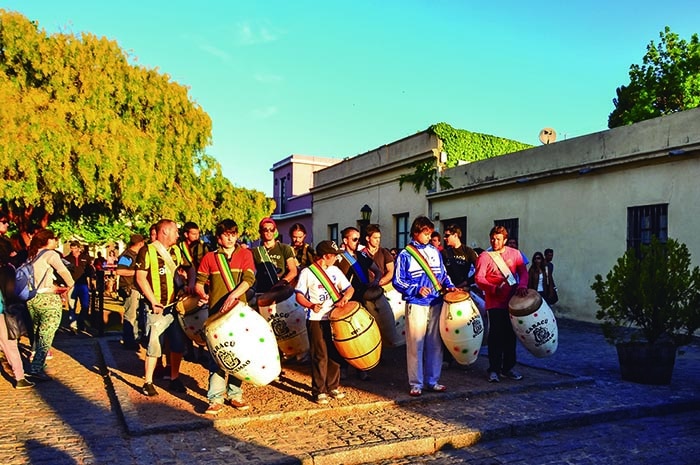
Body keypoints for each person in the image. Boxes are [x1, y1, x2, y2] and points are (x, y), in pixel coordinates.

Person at [195, 219, 256, 415]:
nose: (230, 238)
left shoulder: (246, 254)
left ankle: (235, 394)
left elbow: (249, 279)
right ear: (219, 237)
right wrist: (202, 294)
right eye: (225, 234)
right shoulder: (209, 258)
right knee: (218, 354)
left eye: (233, 233)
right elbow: (199, 283)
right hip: (216, 313)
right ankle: (215, 398)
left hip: (239, 312)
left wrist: (233, 295)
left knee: (240, 353)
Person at [393, 216, 455, 397]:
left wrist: (450, 286)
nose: (429, 236)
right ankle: (416, 383)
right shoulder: (405, 255)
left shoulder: (435, 252)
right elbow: (398, 281)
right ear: (415, 233)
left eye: (430, 233)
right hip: (416, 303)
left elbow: (443, 274)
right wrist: (416, 289)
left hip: (436, 302)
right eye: (425, 233)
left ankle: (432, 380)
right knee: (415, 344)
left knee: (435, 344)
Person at [294, 240, 353, 404]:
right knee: (320, 354)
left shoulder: (335, 270)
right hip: (316, 319)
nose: (336, 259)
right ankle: (319, 390)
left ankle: (332, 386)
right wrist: (311, 305)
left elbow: (349, 289)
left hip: (335, 317)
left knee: (335, 353)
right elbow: (299, 295)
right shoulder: (307, 272)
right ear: (327, 256)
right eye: (334, 256)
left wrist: (345, 298)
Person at [135, 219, 188, 396]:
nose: (178, 235)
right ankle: (148, 381)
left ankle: (174, 377)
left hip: (175, 306)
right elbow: (140, 277)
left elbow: (189, 268)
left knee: (177, 344)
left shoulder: (177, 251)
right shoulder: (147, 250)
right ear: (165, 231)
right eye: (175, 231)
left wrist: (189, 284)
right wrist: (152, 300)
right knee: (154, 344)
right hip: (156, 307)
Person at [474, 225, 528, 383]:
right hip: (494, 303)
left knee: (511, 336)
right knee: (495, 337)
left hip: (512, 303)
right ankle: (494, 369)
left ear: (505, 240)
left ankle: (508, 367)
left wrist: (522, 285)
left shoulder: (515, 254)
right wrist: (492, 288)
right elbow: (479, 278)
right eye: (492, 238)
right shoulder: (485, 256)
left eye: (498, 239)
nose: (494, 241)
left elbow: (523, 272)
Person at [338, 227, 400, 353]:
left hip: (365, 298)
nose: (357, 242)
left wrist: (377, 281)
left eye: (358, 239)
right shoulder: (339, 259)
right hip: (351, 300)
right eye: (354, 239)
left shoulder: (362, 255)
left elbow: (376, 270)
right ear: (345, 240)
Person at [24, 229, 74, 382]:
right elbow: (63, 271)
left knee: (38, 330)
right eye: (54, 239)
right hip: (47, 298)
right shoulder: (50, 255)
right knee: (47, 333)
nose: (56, 242)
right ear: (48, 240)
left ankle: (37, 360)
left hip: (32, 298)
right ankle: (36, 367)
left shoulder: (31, 257)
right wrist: (69, 286)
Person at [0, 238, 34, 389]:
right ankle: (20, 377)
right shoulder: (7, 268)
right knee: (9, 343)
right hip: (2, 310)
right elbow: (9, 291)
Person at [252, 218, 298, 295]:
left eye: (272, 229)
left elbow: (293, 271)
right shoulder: (256, 251)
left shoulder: (284, 248)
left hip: (280, 291)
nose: (269, 232)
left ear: (275, 231)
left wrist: (282, 282)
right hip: (262, 292)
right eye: (266, 230)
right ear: (260, 232)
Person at [116, 234, 146, 350]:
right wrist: (137, 273)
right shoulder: (127, 255)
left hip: (137, 288)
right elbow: (120, 270)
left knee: (138, 315)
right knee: (130, 315)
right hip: (130, 288)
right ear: (140, 243)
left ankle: (136, 337)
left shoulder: (137, 255)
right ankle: (129, 340)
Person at [66, 241, 94, 333]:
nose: (73, 250)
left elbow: (90, 271)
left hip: (83, 284)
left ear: (78, 248)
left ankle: (81, 321)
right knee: (71, 306)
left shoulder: (85, 258)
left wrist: (91, 282)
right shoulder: (67, 259)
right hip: (71, 285)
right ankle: (73, 326)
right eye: (71, 248)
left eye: (74, 248)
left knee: (85, 305)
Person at [441, 224, 479, 290]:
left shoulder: (468, 251)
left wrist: (466, 282)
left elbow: (479, 271)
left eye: (447, 236)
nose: (444, 238)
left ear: (455, 235)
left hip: (463, 289)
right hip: (449, 289)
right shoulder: (444, 253)